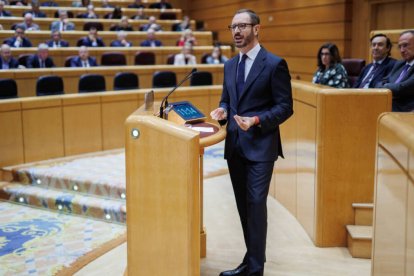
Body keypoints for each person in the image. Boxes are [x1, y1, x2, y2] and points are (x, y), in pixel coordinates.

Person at [210, 9, 293, 276]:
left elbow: (285, 107)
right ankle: (250, 261)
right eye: (232, 26)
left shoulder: (274, 64)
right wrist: (222, 110)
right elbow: (227, 99)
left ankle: (256, 269)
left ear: (256, 29)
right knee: (244, 207)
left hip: (260, 147)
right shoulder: (229, 65)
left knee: (256, 205)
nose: (236, 31)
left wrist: (257, 120)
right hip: (235, 146)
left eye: (242, 26)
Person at [377, 30, 414, 112]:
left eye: (405, 45)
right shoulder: (400, 63)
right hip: (388, 104)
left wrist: (385, 86)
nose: (402, 50)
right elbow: (380, 82)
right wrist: (386, 86)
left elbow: (401, 88)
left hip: (404, 110)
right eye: (399, 47)